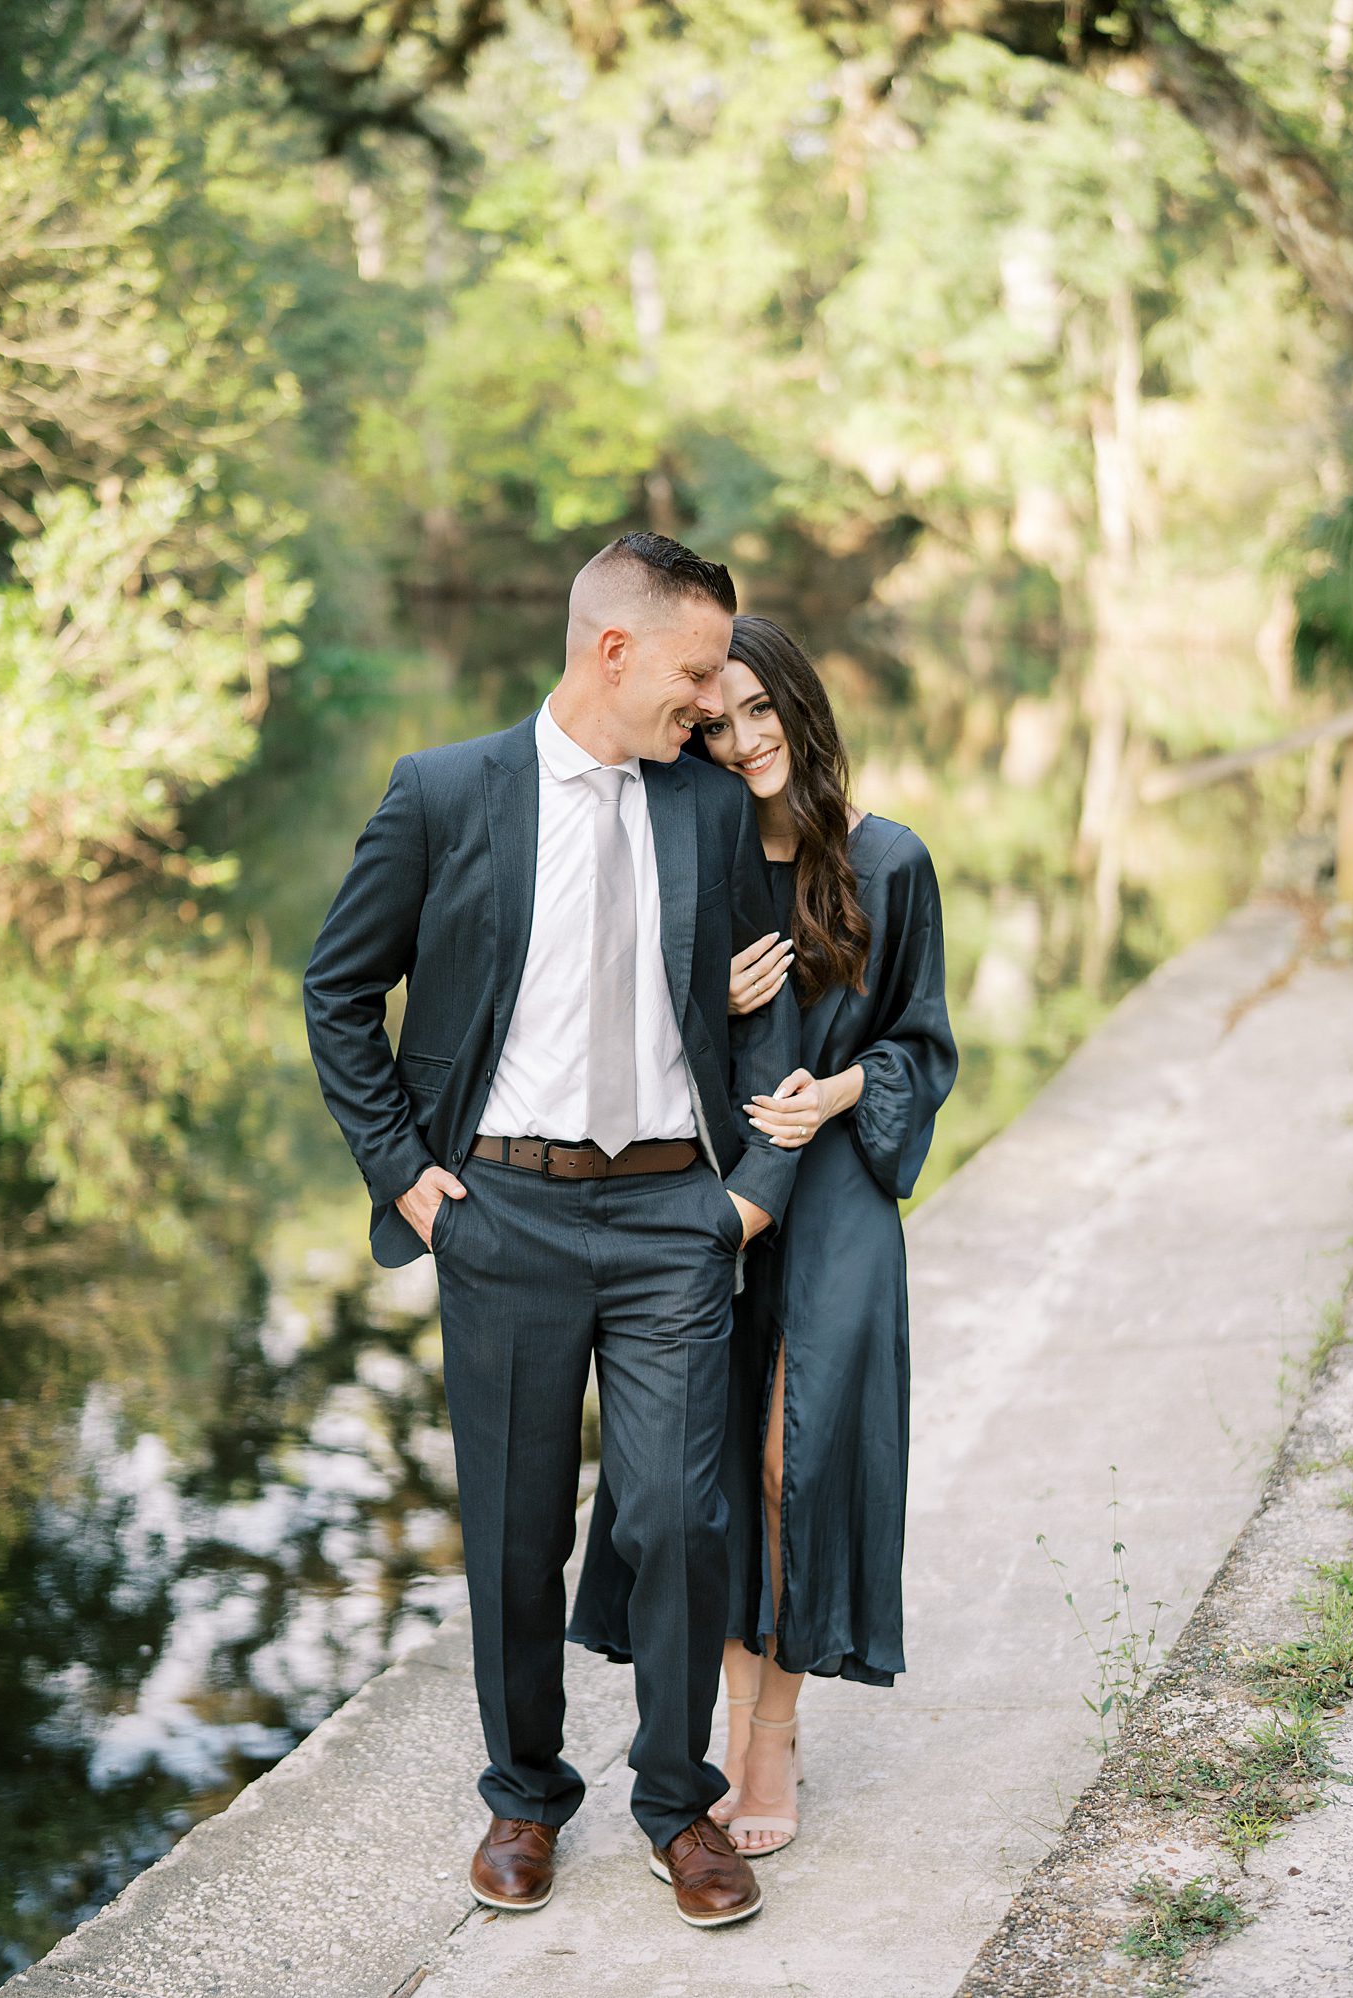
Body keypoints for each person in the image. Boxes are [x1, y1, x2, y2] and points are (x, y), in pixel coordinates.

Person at [302, 536, 802, 1928]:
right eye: (700, 671)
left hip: (670, 1216)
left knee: (680, 1514)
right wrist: (403, 1167)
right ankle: (524, 1795)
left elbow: (770, 1012)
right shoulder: (447, 792)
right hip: (500, 1214)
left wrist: (751, 1183)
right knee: (517, 1531)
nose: (713, 700)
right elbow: (338, 992)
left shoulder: (708, 809)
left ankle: (675, 1800)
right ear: (615, 651)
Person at [570, 614, 957, 1854]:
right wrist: (706, 989)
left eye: (760, 713)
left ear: (799, 707)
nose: (743, 741)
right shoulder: (695, 858)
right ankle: (734, 1725)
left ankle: (773, 1742)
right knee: (715, 1460)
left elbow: (923, 1044)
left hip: (839, 1190)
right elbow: (619, 1026)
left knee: (804, 1454)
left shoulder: (889, 865)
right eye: (718, 722)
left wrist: (840, 1090)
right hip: (712, 1189)